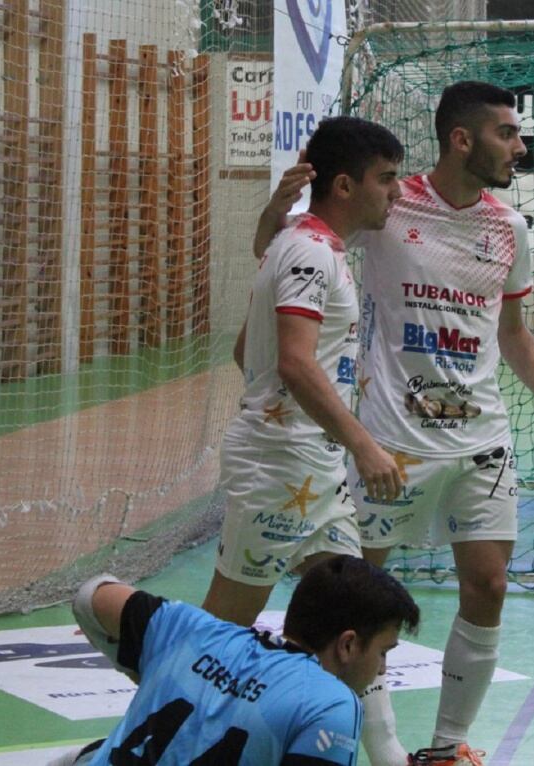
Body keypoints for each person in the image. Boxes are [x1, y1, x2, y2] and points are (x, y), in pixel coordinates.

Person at [258, 82, 534, 766]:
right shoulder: (391, 202)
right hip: (394, 440)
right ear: (462, 139)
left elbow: (513, 333)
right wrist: (275, 205)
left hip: (483, 438)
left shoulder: (511, 229)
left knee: (490, 585)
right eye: (508, 132)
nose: (521, 147)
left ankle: (444, 750)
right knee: (357, 596)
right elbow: (285, 245)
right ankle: (382, 750)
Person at [201, 116, 405, 629]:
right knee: (222, 629)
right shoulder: (311, 253)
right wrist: (364, 443)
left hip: (312, 461)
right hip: (280, 464)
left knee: (348, 617)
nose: (396, 192)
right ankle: (168, 708)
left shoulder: (303, 241)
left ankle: (314, 707)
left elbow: (248, 350)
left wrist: (274, 209)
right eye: (385, 178)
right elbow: (293, 362)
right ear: (343, 186)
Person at [51, 555, 421, 765]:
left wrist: (143, 671)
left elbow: (90, 595)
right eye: (384, 652)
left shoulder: (190, 628)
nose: (383, 669)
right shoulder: (330, 702)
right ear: (348, 645)